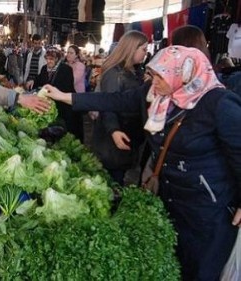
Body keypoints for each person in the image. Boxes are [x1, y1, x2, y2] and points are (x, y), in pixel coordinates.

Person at [44, 45, 241, 281]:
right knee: (172, 264)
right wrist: (64, 96)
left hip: (207, 209)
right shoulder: (154, 94)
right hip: (169, 198)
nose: (153, 82)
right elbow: (113, 100)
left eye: (160, 76)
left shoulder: (218, 103)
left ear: (184, 74)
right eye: (153, 74)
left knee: (199, 270)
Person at [91, 30, 148, 186]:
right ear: (131, 48)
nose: (146, 53)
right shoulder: (115, 74)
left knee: (118, 178)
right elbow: (108, 105)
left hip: (125, 135)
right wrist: (114, 130)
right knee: (112, 182)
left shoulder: (134, 72)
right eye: (143, 49)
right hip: (113, 141)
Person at [33, 47, 83, 142]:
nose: (48, 61)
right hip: (49, 106)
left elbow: (67, 88)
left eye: (51, 59)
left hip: (63, 106)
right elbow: (39, 82)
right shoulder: (44, 69)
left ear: (57, 59)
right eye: (47, 58)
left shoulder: (66, 69)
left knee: (64, 131)